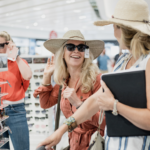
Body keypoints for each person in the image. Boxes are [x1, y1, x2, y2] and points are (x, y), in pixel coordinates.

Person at [37, 0, 150, 150]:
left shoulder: (147, 62)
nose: (76, 51)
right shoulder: (123, 60)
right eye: (70, 47)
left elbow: (104, 109)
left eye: (114, 26)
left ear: (120, 29)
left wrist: (114, 105)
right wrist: (62, 130)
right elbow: (94, 101)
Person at [33, 30, 106, 150]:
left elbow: (105, 122)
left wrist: (79, 104)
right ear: (62, 53)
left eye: (81, 47)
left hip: (93, 145)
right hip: (73, 144)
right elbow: (45, 103)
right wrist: (46, 76)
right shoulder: (63, 82)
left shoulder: (97, 80)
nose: (76, 51)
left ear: (85, 53)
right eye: (70, 47)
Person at [0, 31, 32, 150]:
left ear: (9, 44)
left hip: (15, 110)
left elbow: (28, 75)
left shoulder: (18, 62)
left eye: (1, 45)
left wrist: (15, 55)